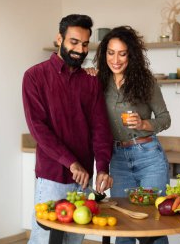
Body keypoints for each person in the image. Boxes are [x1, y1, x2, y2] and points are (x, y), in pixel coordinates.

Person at [22, 14, 113, 244]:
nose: (80, 50)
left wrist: (102, 167)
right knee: (44, 240)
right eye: (74, 42)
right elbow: (38, 129)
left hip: (83, 181)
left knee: (74, 241)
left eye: (84, 44)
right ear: (59, 39)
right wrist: (71, 163)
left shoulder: (91, 81)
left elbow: (101, 129)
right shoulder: (34, 76)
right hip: (52, 177)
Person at [93, 26, 171, 244]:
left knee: (152, 226)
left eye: (122, 53)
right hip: (117, 159)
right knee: (122, 224)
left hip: (148, 155)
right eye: (110, 52)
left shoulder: (145, 81)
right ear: (104, 54)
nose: (115, 59)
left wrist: (144, 123)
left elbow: (165, 118)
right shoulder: (98, 82)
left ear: (131, 55)